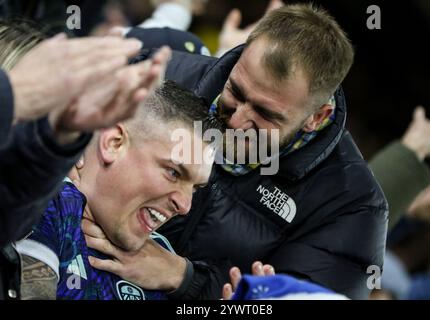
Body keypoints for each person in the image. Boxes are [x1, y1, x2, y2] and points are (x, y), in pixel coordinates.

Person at [84, 4, 388, 300]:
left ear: (316, 117)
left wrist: (185, 279)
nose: (238, 121)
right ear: (241, 56)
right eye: (236, 92)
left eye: (266, 114)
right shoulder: (161, 76)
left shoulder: (352, 206)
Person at [0, 19, 171, 299]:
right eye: (36, 110)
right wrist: (14, 96)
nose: (184, 204)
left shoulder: (40, 199)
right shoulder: (61, 205)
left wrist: (61, 139)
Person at [14, 81, 221, 300]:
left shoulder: (162, 257)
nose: (185, 206)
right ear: (114, 143)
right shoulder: (45, 200)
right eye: (174, 173)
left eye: (195, 188)